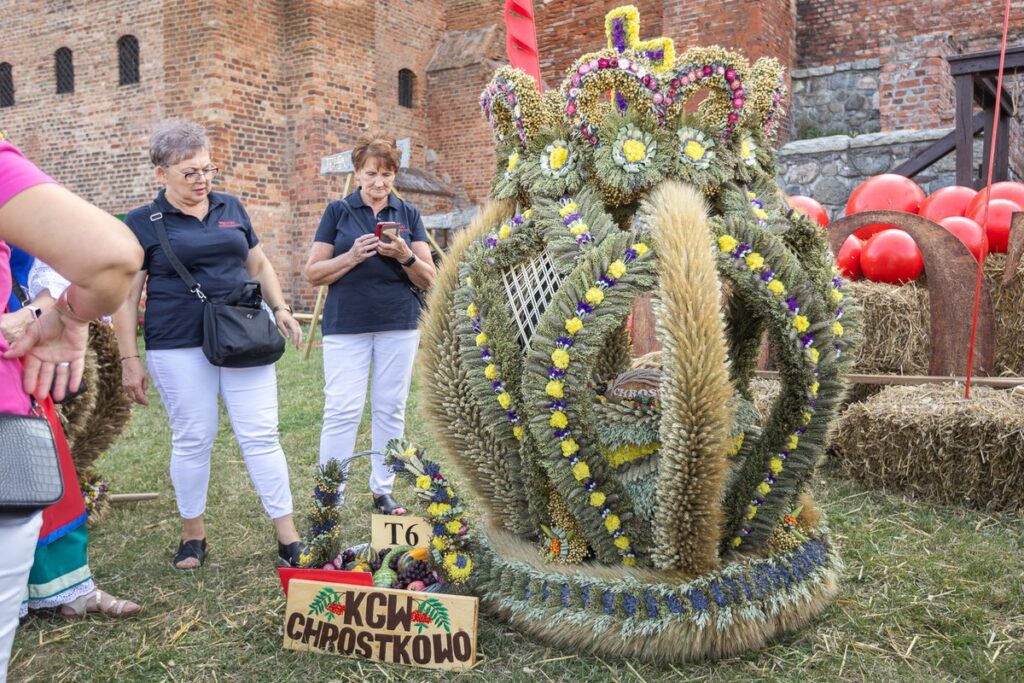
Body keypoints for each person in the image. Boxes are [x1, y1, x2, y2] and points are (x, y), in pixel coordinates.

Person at [112, 120, 305, 570]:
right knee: (194, 437)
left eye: (207, 170)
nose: (202, 181)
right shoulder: (141, 222)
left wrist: (280, 308)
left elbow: (258, 263)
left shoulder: (231, 206)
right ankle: (193, 535)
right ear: (161, 173)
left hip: (243, 337)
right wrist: (129, 359)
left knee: (261, 435)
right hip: (177, 343)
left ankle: (288, 536)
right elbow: (126, 296)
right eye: (189, 173)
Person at [0, 137, 142, 681]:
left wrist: (38, 309)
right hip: (14, 373)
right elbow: (108, 256)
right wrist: (64, 316)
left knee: (40, 476)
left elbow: (48, 270)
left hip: (18, 369)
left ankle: (62, 588)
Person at [1, 248, 142, 621]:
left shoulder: (12, 195)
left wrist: (33, 312)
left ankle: (65, 588)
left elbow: (64, 255)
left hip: (11, 349)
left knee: (36, 469)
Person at [304, 133, 435, 515]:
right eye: (371, 173)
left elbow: (430, 279)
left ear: (395, 174)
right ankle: (331, 491)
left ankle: (383, 489)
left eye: (387, 173)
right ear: (357, 172)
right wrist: (352, 257)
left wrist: (405, 255)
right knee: (342, 409)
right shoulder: (338, 212)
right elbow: (313, 273)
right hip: (347, 325)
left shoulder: (408, 213)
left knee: (390, 407)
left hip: (399, 323)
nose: (379, 182)